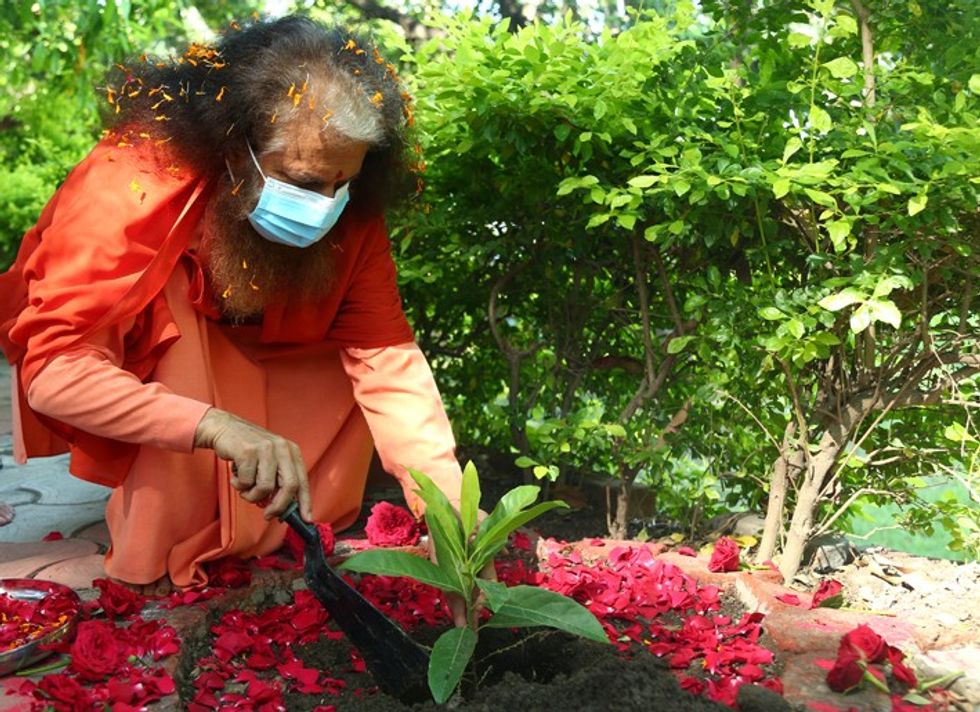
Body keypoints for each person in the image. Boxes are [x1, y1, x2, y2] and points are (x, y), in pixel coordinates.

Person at [0, 16, 463, 596]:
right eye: (304, 181)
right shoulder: (132, 180)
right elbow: (56, 373)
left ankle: (277, 521)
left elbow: (386, 359)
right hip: (175, 368)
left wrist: (450, 517)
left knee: (356, 373)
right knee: (171, 323)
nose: (325, 206)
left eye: (339, 184)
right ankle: (177, 513)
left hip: (278, 362)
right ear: (235, 149)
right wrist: (213, 425)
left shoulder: (352, 212)